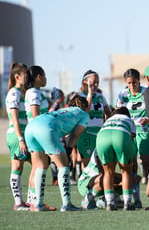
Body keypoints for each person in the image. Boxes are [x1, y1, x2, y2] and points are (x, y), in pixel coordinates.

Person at [24, 94, 90, 211]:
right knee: (63, 165)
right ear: (85, 106)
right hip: (45, 127)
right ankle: (66, 204)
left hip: (31, 126)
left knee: (41, 166)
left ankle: (38, 204)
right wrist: (69, 150)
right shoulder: (84, 114)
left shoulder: (64, 110)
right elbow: (75, 135)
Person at [116, 68, 149, 208]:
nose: (132, 86)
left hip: (144, 132)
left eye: (134, 83)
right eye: (129, 83)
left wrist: (148, 119)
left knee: (147, 163)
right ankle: (135, 200)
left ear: (139, 80)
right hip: (128, 132)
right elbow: (118, 112)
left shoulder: (146, 92)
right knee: (131, 165)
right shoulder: (122, 94)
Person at [24, 65, 56, 210]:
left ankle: (33, 201)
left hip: (33, 131)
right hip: (37, 131)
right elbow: (36, 115)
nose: (46, 79)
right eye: (44, 75)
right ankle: (38, 203)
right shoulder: (34, 93)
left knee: (36, 167)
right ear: (39, 77)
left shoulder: (33, 92)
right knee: (41, 166)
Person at [95, 106, 136, 211]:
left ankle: (109, 203)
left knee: (108, 172)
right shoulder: (129, 120)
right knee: (126, 171)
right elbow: (131, 138)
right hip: (121, 134)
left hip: (102, 136)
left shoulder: (109, 119)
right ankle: (127, 203)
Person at [5, 62, 30, 211]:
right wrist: (21, 139)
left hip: (24, 133)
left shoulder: (22, 93)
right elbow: (14, 118)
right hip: (16, 134)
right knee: (17, 167)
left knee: (38, 163)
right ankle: (19, 202)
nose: (27, 77)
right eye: (25, 74)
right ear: (17, 76)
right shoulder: (14, 93)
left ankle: (31, 200)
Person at [78, 70, 112, 167]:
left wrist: (106, 126)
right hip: (86, 135)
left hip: (99, 135)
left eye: (98, 83)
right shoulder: (79, 97)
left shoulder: (101, 97)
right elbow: (85, 113)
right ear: (85, 82)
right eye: (93, 82)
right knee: (88, 165)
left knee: (101, 165)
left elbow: (108, 113)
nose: (96, 85)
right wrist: (89, 94)